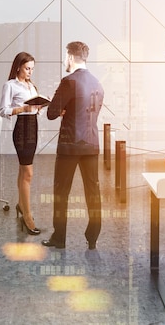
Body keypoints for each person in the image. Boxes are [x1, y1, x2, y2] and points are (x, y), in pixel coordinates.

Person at [42, 41, 104, 250]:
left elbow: (51, 113)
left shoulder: (68, 82)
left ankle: (59, 238)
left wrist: (58, 106)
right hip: (92, 144)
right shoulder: (97, 83)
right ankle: (93, 238)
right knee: (93, 191)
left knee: (61, 192)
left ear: (70, 57)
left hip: (69, 146)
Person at [0, 52, 42, 235]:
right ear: (18, 67)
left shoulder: (31, 86)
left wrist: (38, 107)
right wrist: (24, 108)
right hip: (22, 129)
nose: (30, 72)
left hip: (33, 127)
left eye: (32, 68)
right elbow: (3, 110)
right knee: (28, 173)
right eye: (27, 68)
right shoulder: (10, 85)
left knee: (23, 170)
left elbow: (33, 109)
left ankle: (20, 205)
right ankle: (28, 216)